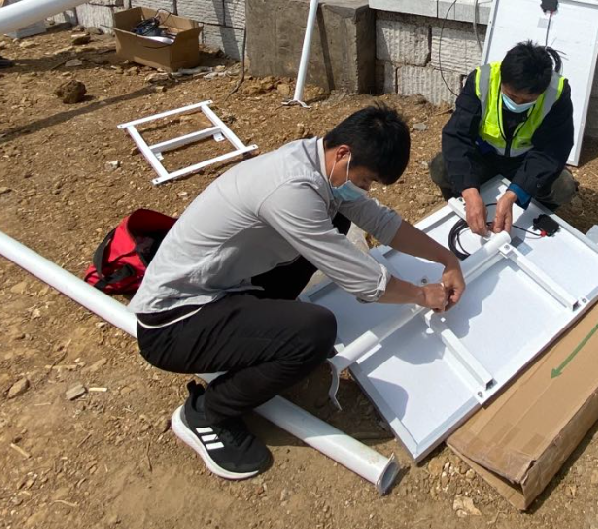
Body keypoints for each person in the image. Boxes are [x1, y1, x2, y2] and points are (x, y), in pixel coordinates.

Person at [128, 105, 465, 481]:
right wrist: (422, 296)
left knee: (339, 215)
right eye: (367, 181)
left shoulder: (318, 162)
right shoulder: (291, 189)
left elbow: (381, 222)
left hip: (228, 287)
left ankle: (261, 340)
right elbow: (365, 282)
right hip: (174, 322)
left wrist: (446, 257)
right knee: (315, 332)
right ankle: (207, 413)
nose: (365, 191)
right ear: (344, 154)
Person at [430, 40, 577, 236]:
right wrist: (469, 191)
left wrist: (515, 193)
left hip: (525, 162)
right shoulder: (483, 80)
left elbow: (553, 149)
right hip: (485, 156)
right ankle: (463, 206)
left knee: (563, 186)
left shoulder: (556, 93)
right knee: (441, 167)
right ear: (502, 80)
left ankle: (535, 213)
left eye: (527, 100)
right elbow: (457, 135)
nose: (517, 103)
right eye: (511, 95)